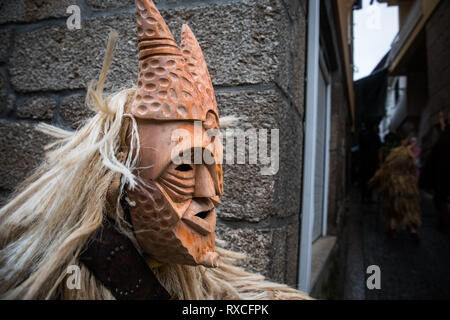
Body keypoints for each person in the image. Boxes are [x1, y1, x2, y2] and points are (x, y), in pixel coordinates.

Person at [0, 0, 310, 300]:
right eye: (184, 169)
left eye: (213, 165)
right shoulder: (64, 278)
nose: (211, 195)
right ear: (118, 178)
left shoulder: (191, 275)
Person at [369, 137, 422, 240]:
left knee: (393, 209)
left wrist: (377, 182)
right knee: (409, 209)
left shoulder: (394, 154)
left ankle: (392, 230)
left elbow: (385, 169)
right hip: (407, 186)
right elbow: (412, 171)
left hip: (394, 185)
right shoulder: (409, 155)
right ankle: (412, 230)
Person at [420, 112, 450, 233]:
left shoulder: (444, 138)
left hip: (444, 177)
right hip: (444, 176)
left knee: (440, 199)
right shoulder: (445, 137)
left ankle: (444, 223)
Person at [359, 121, 383, 203]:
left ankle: (364, 197)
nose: (377, 128)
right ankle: (368, 197)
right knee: (370, 179)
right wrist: (380, 163)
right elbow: (379, 150)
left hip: (364, 162)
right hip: (372, 162)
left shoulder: (362, 135)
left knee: (364, 179)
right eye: (376, 126)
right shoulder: (375, 137)